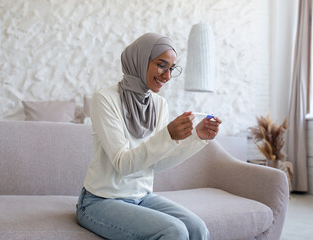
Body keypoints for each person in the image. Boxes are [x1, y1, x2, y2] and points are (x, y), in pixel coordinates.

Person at [76, 32, 222, 240]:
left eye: (171, 69)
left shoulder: (158, 104)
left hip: (142, 197)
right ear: (140, 60)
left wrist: (197, 137)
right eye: (162, 65)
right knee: (174, 231)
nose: (167, 76)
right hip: (99, 201)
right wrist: (168, 136)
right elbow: (122, 164)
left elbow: (159, 164)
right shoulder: (105, 99)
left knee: (197, 228)